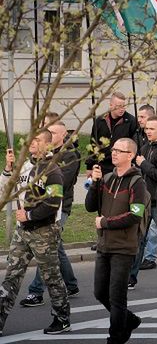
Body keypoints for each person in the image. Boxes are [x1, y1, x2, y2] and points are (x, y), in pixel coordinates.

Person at [0, 129, 71, 335]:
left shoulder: (53, 171)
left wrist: (30, 216)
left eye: (37, 140)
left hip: (45, 231)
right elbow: (6, 189)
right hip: (22, 232)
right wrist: (8, 169)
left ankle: (62, 318)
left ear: (47, 145)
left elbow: (53, 202)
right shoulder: (24, 165)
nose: (32, 143)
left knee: (51, 277)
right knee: (11, 276)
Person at [85, 138, 147, 343]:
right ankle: (128, 320)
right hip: (104, 245)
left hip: (124, 247)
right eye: (113, 150)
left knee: (117, 297)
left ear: (130, 155)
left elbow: (135, 215)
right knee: (100, 292)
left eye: (119, 151)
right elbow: (90, 206)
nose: (114, 153)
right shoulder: (107, 178)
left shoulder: (137, 182)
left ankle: (117, 337)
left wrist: (106, 223)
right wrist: (94, 183)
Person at [19, 121, 80, 307]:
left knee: (46, 248)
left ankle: (36, 291)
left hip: (59, 209)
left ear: (63, 135)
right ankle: (71, 284)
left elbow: (61, 184)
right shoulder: (39, 158)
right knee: (56, 247)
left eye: (53, 133)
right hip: (36, 211)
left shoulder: (69, 157)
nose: (50, 136)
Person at [128, 116, 157, 289]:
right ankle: (130, 277)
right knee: (138, 240)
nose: (148, 132)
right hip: (144, 202)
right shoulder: (145, 147)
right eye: (147, 129)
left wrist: (143, 163)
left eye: (152, 129)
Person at [86, 92, 138, 176]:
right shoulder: (100, 120)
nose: (122, 109)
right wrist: (89, 166)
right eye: (119, 106)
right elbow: (93, 144)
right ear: (111, 105)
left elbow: (135, 145)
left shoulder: (131, 121)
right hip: (102, 166)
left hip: (122, 166)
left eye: (124, 106)